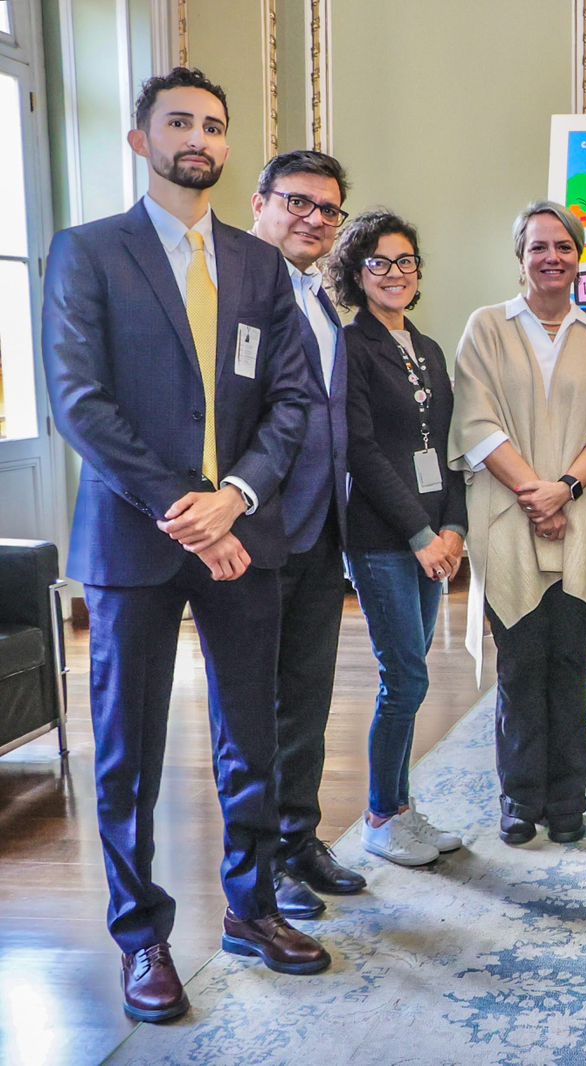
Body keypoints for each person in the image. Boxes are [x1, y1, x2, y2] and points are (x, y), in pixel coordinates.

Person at [41, 66, 328, 1023]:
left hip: (245, 535)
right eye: (177, 122)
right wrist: (183, 506)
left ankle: (251, 908)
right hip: (135, 541)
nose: (197, 137)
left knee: (253, 737)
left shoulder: (258, 265)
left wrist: (235, 497)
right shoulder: (87, 253)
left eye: (212, 124)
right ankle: (141, 938)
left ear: (227, 145)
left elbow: (292, 398)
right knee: (129, 751)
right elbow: (80, 403)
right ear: (141, 141)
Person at [448, 201, 586, 847]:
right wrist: (536, 495)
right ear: (520, 257)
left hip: (584, 518)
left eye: (563, 246)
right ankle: (521, 799)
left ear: (579, 258)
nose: (551, 257)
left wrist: (564, 491)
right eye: (538, 247)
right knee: (522, 663)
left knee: (567, 661)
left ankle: (569, 798)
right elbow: (475, 422)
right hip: (507, 517)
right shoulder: (487, 327)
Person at [246, 149, 368, 918]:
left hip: (323, 532)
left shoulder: (320, 299)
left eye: (328, 209)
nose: (314, 219)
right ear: (260, 202)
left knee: (306, 697)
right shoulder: (236, 294)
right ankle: (260, 864)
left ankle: (299, 838)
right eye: (298, 201)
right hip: (258, 532)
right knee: (255, 709)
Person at [329, 210, 467, 867]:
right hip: (382, 537)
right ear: (357, 273)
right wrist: (419, 533)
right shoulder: (350, 346)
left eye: (405, 261)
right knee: (405, 676)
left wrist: (454, 527)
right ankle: (382, 817)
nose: (395, 273)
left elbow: (449, 446)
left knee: (412, 675)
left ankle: (403, 808)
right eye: (379, 262)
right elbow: (359, 449)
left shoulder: (428, 348)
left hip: (433, 535)